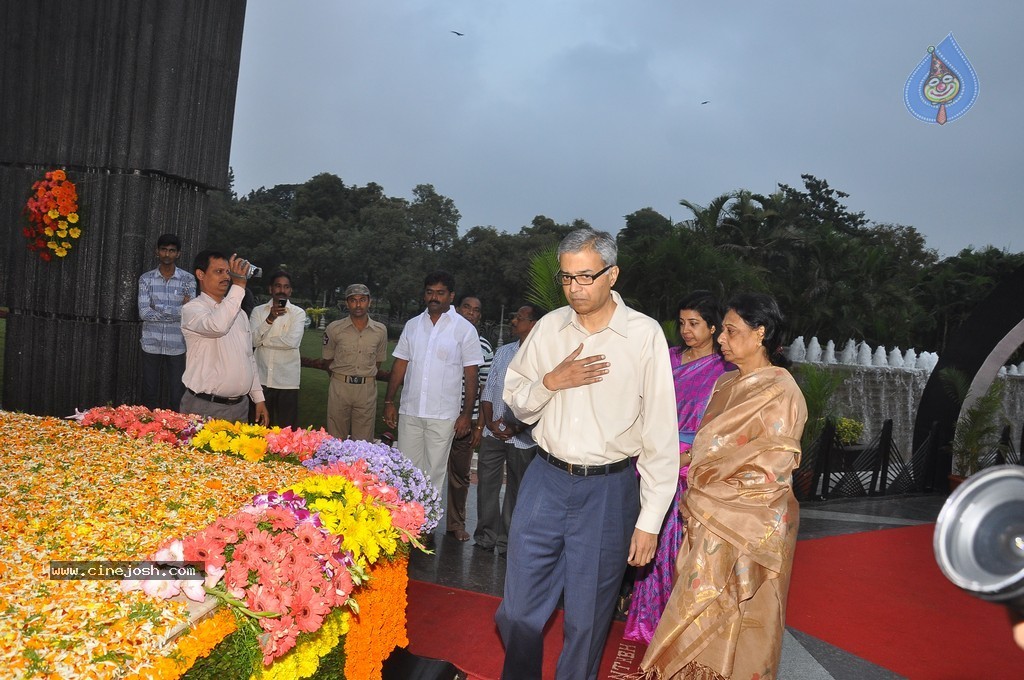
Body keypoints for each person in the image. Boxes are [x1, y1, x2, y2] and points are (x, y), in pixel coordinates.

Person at [496, 229, 678, 680]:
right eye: (566, 278)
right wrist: (550, 382)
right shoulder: (549, 329)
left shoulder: (642, 335)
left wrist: (649, 522)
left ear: (612, 274)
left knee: (587, 621)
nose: (575, 288)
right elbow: (515, 400)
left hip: (609, 491)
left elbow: (660, 433)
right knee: (516, 612)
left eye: (586, 276)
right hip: (545, 479)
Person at [639, 293, 808, 680]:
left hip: (748, 525)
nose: (722, 340)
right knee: (694, 604)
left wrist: (706, 487)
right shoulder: (727, 382)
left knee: (734, 614)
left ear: (760, 333)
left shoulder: (780, 390)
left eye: (731, 331)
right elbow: (707, 447)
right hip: (706, 515)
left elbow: (773, 470)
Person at [624, 291, 731, 644]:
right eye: (682, 323)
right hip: (650, 457)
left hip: (689, 468)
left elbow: (721, 428)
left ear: (714, 328)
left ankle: (675, 626)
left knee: (677, 550)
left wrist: (685, 458)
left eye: (695, 324)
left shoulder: (724, 370)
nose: (686, 330)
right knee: (640, 536)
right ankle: (642, 618)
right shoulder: (666, 358)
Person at [383, 272, 484, 507]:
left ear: (451, 296)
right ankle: (404, 524)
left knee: (433, 474)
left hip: (443, 416)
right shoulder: (413, 325)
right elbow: (400, 364)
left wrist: (467, 415)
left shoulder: (464, 329)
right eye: (430, 292)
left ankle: (425, 525)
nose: (434, 297)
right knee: (406, 471)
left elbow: (472, 375)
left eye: (440, 293)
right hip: (411, 410)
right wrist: (389, 401)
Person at [474, 303, 544, 556]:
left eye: (520, 318)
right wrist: (490, 422)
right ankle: (485, 537)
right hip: (494, 433)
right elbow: (489, 388)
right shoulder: (503, 352)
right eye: (515, 316)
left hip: (523, 438)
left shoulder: (543, 357)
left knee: (517, 489)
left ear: (534, 324)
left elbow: (542, 399)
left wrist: (517, 427)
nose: (514, 321)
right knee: (487, 486)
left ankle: (506, 542)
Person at [180, 250, 269, 426]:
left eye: (228, 272)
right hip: (205, 406)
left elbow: (248, 357)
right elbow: (217, 326)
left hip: (240, 408)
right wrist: (239, 285)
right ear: (200, 274)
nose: (227, 277)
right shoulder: (192, 309)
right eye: (219, 271)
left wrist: (258, 398)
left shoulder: (240, 314)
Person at [445, 295, 493, 541]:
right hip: (439, 417)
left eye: (476, 310)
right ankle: (420, 523)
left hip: (468, 421)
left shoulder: (484, 347)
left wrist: (479, 426)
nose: (471, 313)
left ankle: (455, 523)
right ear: (457, 309)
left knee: (460, 475)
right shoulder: (444, 337)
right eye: (467, 307)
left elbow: (486, 388)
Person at [317, 284, 389, 441]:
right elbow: (327, 360)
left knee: (363, 442)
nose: (358, 304)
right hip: (340, 387)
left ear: (369, 302)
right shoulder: (334, 329)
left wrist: (364, 376)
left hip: (366, 390)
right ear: (347, 303)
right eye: (353, 300)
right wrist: (341, 378)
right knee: (335, 439)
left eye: (362, 300)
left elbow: (377, 362)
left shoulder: (380, 330)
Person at [137, 233, 194, 410]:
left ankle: (175, 431)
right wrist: (177, 309)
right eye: (164, 250)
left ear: (178, 254)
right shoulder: (146, 279)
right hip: (151, 343)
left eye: (171, 251)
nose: (167, 254)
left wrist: (158, 307)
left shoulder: (188, 279)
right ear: (157, 252)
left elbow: (189, 313)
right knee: (149, 392)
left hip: (177, 344)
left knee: (177, 394)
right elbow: (144, 313)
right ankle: (147, 429)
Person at [249, 270, 306, 428]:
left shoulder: (298, 313)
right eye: (278, 286)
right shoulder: (259, 312)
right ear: (270, 289)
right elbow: (252, 340)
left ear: (290, 290)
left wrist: (263, 341)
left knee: (287, 432)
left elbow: (292, 342)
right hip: (260, 380)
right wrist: (270, 319)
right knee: (258, 431)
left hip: (287, 381)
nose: (282, 290)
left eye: (286, 287)